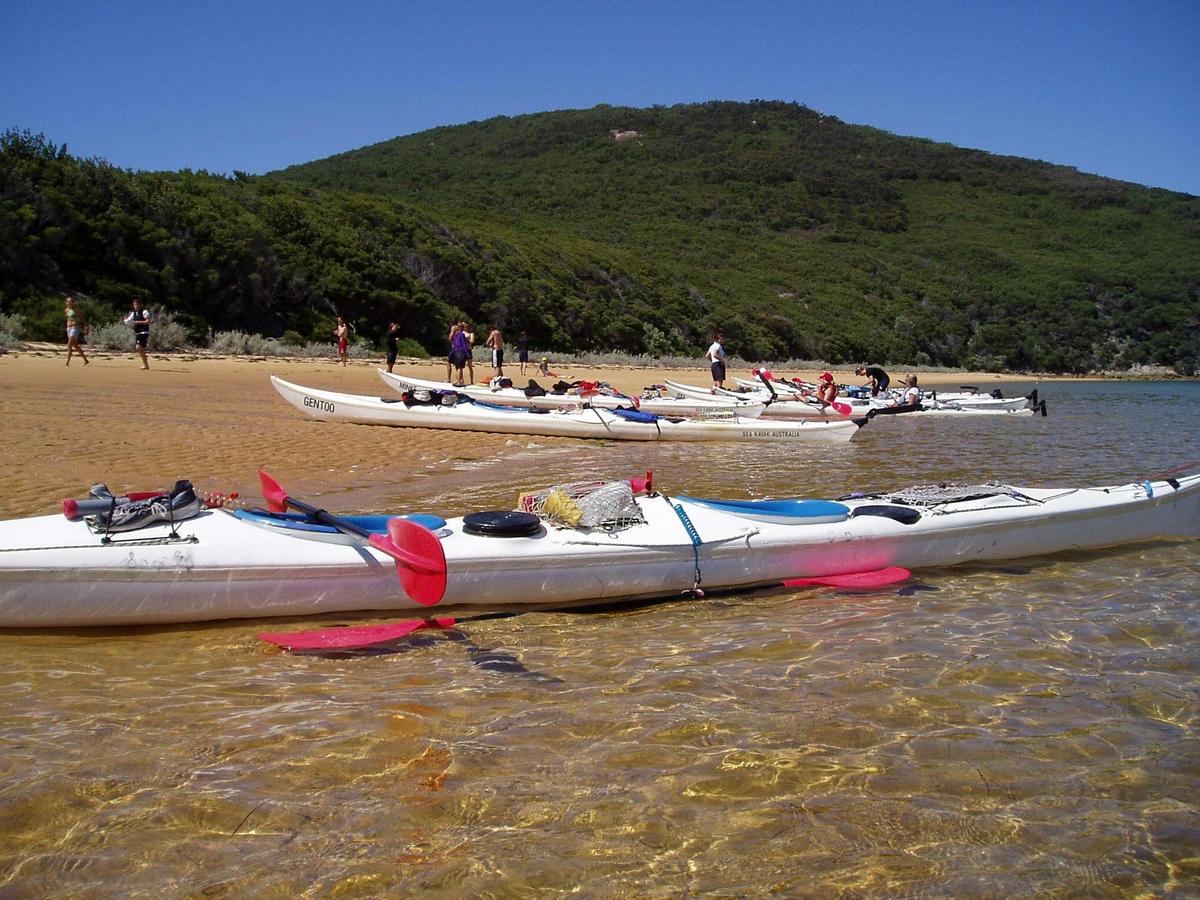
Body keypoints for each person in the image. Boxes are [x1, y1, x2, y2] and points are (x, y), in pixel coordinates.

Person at [124, 298, 152, 369]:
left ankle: (145, 364)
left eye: (136, 305)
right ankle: (145, 364)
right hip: (138, 333)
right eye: (134, 305)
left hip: (144, 332)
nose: (135, 307)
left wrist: (138, 322)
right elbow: (127, 321)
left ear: (140, 305)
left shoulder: (144, 312)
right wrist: (125, 320)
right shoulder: (133, 313)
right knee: (139, 348)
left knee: (138, 347)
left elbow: (148, 321)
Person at [64, 296, 89, 366]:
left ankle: (67, 362)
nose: (70, 302)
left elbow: (82, 317)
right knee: (75, 345)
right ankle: (86, 360)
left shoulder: (76, 309)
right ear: (66, 302)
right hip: (69, 328)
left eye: (72, 301)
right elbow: (69, 318)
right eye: (69, 301)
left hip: (76, 327)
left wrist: (86, 326)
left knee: (69, 344)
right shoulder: (66, 310)